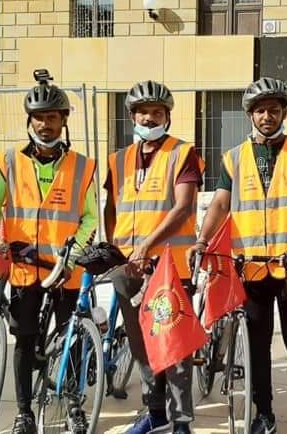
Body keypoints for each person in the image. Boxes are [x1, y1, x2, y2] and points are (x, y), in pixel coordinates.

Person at [189, 77, 287, 434]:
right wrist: (202, 240)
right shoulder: (233, 158)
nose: (268, 116)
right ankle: (264, 413)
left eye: (275, 110)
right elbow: (220, 204)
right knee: (258, 347)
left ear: (284, 112)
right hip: (250, 267)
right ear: (250, 114)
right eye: (261, 110)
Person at [0, 71, 98, 434]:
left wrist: (72, 255)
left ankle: (73, 403)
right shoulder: (9, 161)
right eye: (38, 117)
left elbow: (90, 218)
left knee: (71, 338)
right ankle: (23, 412)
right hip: (24, 269)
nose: (45, 124)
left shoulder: (82, 166)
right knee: (24, 340)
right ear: (29, 121)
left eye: (52, 117)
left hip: (65, 269)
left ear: (64, 120)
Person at [104, 80, 204, 434]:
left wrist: (147, 245)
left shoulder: (182, 153)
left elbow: (183, 206)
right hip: (128, 266)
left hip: (168, 266)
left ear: (167, 117)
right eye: (143, 112)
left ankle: (181, 421)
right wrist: (114, 248)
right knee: (141, 346)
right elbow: (111, 207)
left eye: (157, 112)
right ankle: (155, 412)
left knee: (174, 346)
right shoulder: (118, 159)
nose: (150, 118)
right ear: (132, 116)